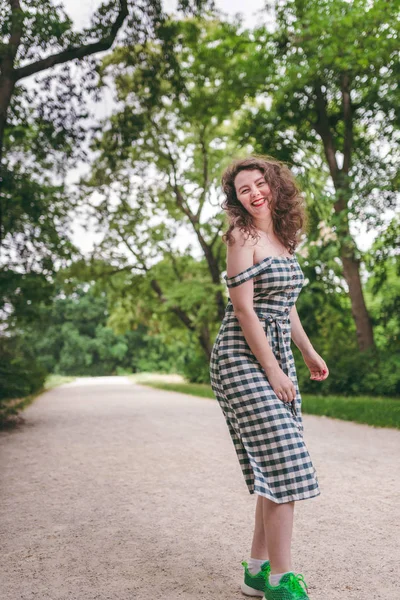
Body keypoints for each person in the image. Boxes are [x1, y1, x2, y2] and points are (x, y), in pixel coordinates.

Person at [209, 155, 329, 600]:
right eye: (244, 189)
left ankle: (257, 571)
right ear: (236, 198)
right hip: (241, 355)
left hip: (276, 349)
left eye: (260, 184)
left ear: (275, 187)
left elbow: (286, 305)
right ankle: (282, 580)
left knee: (276, 464)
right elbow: (243, 309)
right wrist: (273, 369)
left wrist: (308, 351)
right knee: (284, 460)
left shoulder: (283, 239)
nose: (255, 192)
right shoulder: (242, 236)